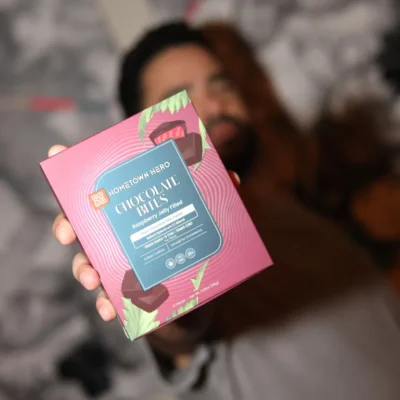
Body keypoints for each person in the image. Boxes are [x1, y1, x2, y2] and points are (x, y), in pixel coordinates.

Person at [49, 22, 400, 399]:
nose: (215, 106)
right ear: (143, 137)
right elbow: (180, 331)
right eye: (180, 101)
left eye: (222, 85)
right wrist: (162, 294)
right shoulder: (192, 238)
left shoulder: (293, 209)